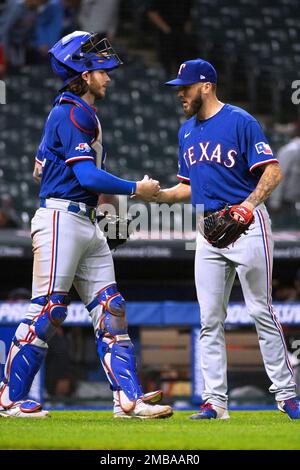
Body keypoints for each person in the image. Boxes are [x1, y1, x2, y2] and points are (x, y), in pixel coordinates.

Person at [0, 31, 172, 419]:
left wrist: (102, 207)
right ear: (83, 72)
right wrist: (136, 189)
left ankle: (127, 399)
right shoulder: (70, 111)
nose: (108, 77)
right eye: (101, 70)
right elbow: (90, 178)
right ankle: (9, 398)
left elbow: (40, 166)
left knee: (112, 308)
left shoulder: (73, 111)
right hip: (62, 219)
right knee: (47, 310)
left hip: (82, 219)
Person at [154, 58, 300, 419]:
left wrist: (248, 207)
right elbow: (186, 189)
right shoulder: (185, 131)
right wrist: (149, 193)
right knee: (209, 319)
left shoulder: (240, 121)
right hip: (208, 229)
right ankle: (215, 402)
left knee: (260, 311)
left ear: (206, 86)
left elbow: (273, 171)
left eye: (185, 87)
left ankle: (287, 396)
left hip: (247, 224)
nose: (180, 94)